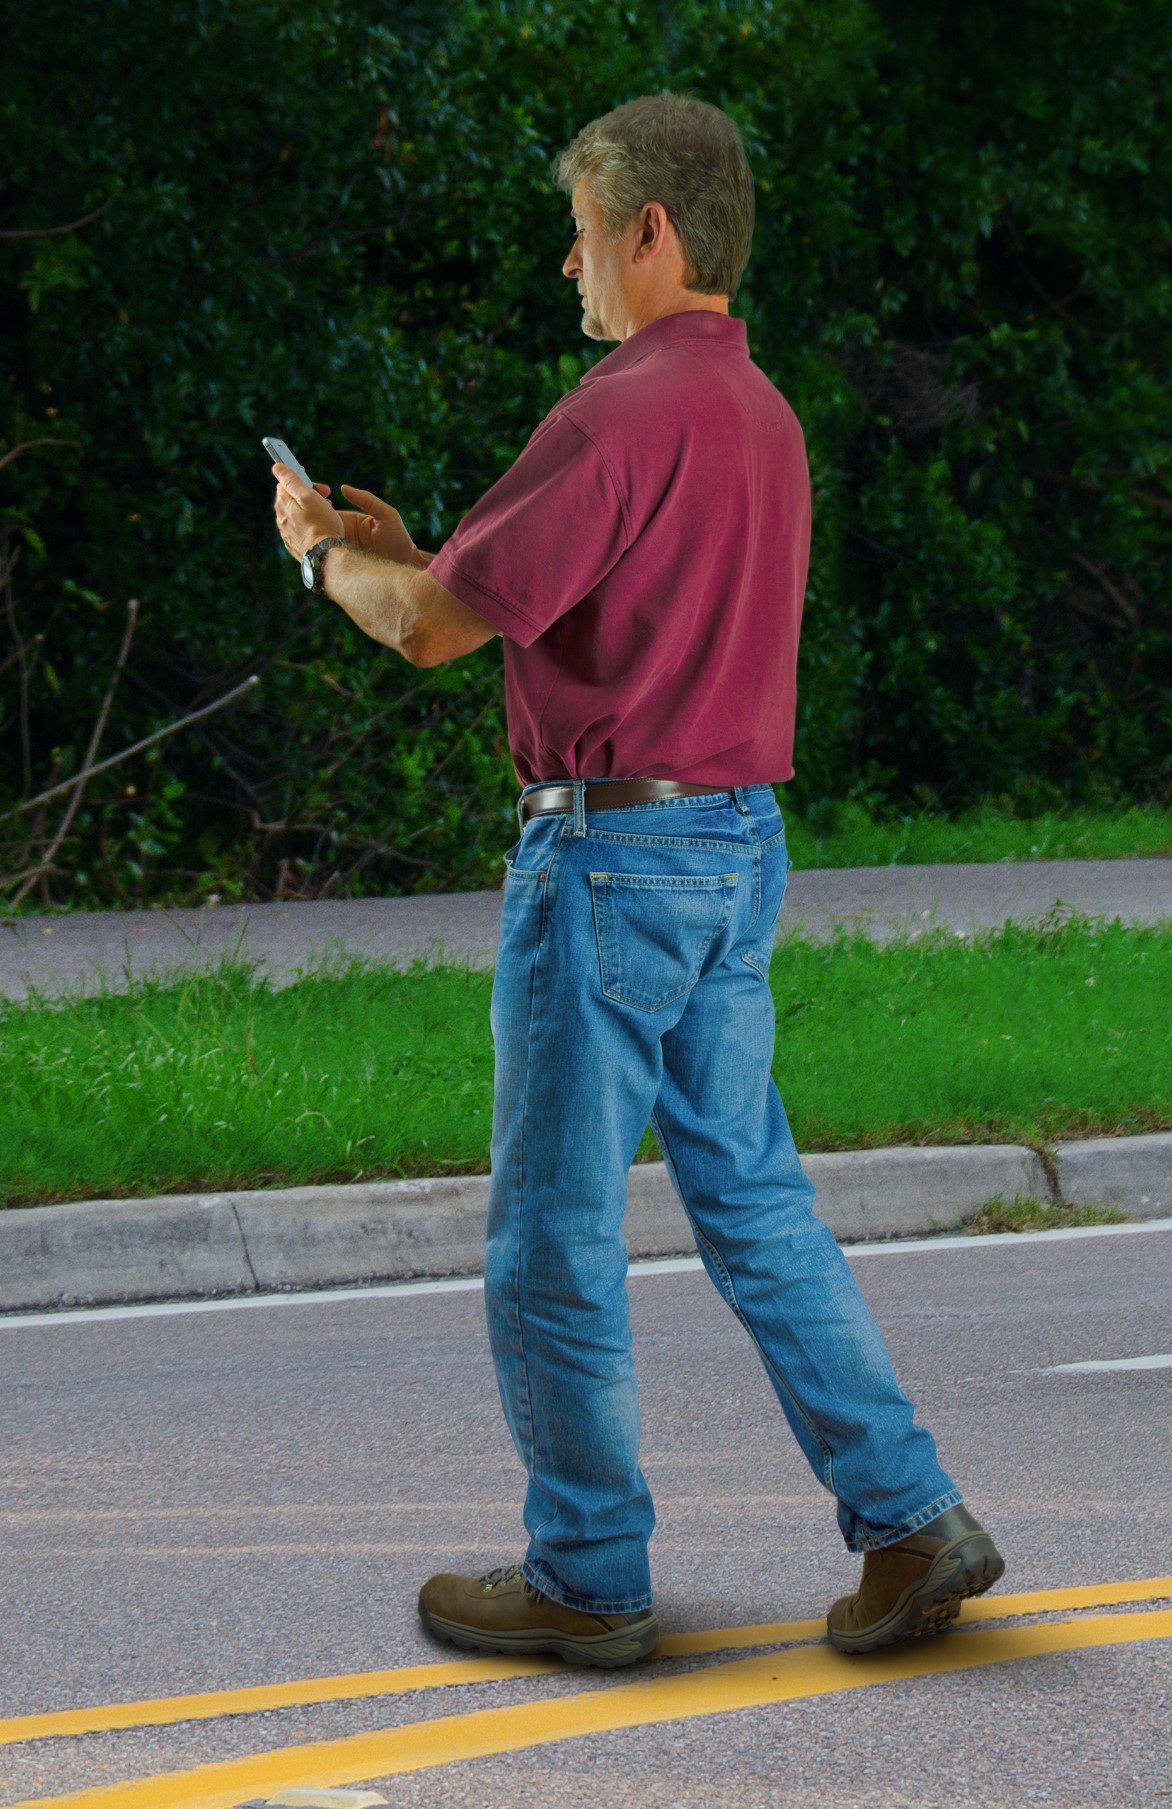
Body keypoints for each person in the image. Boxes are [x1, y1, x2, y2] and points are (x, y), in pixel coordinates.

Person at [268, 92, 1002, 1667]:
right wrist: (414, 547)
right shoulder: (761, 415)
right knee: (757, 1206)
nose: (568, 268)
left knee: (551, 1231)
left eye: (585, 236)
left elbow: (427, 629)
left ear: (651, 233)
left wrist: (323, 554)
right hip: (735, 846)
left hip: (610, 859)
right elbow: (519, 590)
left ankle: (587, 1572)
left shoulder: (616, 407)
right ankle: (909, 1515)